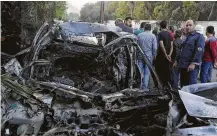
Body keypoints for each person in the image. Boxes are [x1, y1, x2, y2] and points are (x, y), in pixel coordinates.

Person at [179, 20, 205, 87]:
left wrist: (193, 63)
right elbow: (181, 50)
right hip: (183, 65)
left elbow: (199, 51)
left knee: (191, 85)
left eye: (190, 25)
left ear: (194, 26)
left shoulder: (199, 36)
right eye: (187, 25)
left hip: (191, 66)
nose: (188, 27)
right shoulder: (186, 36)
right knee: (183, 85)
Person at [137, 24, 158, 89]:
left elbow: (136, 46)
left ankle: (138, 86)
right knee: (147, 72)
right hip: (149, 56)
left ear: (144, 28)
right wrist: (154, 55)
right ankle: (145, 87)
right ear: (150, 29)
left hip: (140, 55)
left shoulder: (139, 35)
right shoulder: (153, 36)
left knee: (140, 71)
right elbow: (154, 48)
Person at [155, 20, 173, 87]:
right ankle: (166, 85)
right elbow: (172, 45)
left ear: (160, 26)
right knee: (166, 71)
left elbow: (161, 45)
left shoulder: (160, 34)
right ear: (166, 26)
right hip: (168, 55)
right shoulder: (169, 34)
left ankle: (161, 85)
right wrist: (169, 55)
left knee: (159, 71)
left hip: (161, 55)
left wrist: (166, 55)